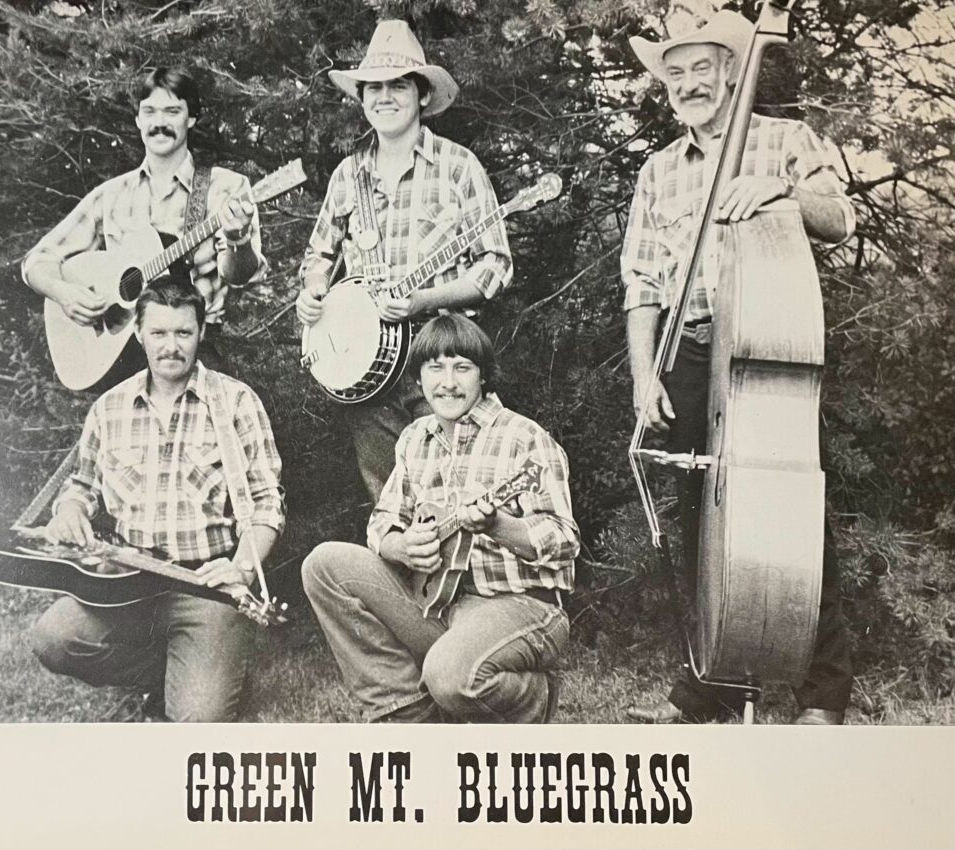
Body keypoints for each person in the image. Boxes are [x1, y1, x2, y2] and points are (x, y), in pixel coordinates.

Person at [620, 10, 856, 725]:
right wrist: (644, 375)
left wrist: (785, 193)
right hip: (690, 350)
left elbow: (840, 216)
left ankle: (822, 695)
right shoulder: (658, 171)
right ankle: (712, 686)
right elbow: (642, 284)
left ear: (731, 72)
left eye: (702, 68)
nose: (689, 83)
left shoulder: (783, 140)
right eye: (675, 72)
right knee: (702, 518)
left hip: (769, 341)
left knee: (796, 514)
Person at [29, 279, 286, 722]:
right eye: (160, 333)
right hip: (126, 580)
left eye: (183, 333)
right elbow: (82, 485)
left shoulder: (236, 402)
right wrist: (70, 510)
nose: (171, 346)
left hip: (207, 585)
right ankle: (162, 672)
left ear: (201, 333)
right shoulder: (110, 408)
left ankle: (205, 671)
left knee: (198, 720)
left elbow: (267, 503)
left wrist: (243, 566)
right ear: (138, 334)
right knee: (54, 637)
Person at [302, 315, 578, 723]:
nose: (448, 381)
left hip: (522, 607)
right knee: (324, 565)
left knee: (450, 675)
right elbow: (382, 523)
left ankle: (533, 698)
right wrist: (404, 547)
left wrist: (498, 525)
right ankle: (408, 713)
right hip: (441, 602)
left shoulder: (525, 438)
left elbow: (564, 538)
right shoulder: (415, 438)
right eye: (435, 367)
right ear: (418, 378)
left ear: (483, 376)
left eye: (462, 367)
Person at [296, 19, 513, 501]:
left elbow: (495, 265)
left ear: (421, 96)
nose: (385, 96)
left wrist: (424, 299)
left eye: (398, 85)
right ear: (362, 98)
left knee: (457, 491)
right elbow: (319, 256)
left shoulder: (458, 167)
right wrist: (311, 293)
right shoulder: (347, 176)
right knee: (390, 500)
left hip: (441, 355)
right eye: (374, 87)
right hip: (368, 372)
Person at [23, 66, 266, 378]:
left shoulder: (226, 188)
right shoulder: (109, 196)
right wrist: (64, 293)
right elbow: (36, 261)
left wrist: (237, 238)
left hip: (196, 356)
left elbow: (239, 275)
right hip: (121, 362)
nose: (159, 123)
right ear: (138, 119)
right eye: (149, 111)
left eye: (172, 111)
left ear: (191, 118)